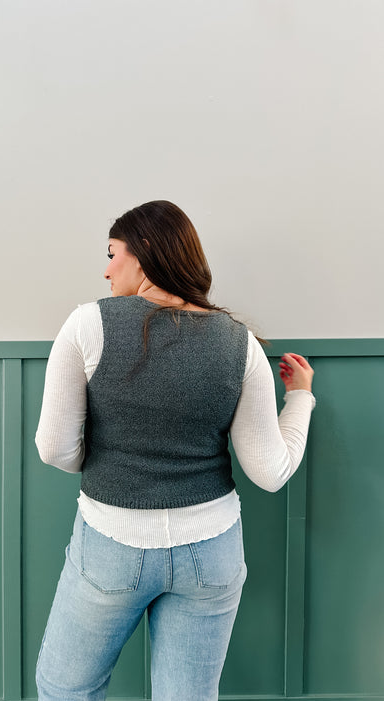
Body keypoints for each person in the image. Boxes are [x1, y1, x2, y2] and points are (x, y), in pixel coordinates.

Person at [34, 200, 315, 701]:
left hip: (111, 543)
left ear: (141, 256)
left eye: (112, 253)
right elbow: (271, 472)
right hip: (212, 550)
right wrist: (300, 397)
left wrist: (100, 464)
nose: (106, 269)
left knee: (65, 687)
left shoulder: (86, 325)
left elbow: (54, 448)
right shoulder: (240, 342)